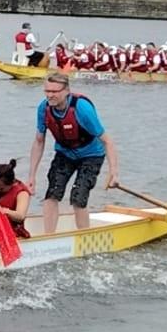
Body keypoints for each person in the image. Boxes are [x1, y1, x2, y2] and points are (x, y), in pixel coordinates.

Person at [27, 71, 120, 233]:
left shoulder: (82, 109)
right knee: (52, 194)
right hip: (65, 153)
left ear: (66, 91)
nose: (50, 95)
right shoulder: (44, 108)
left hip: (91, 154)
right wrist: (32, 176)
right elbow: (39, 141)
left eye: (54, 92)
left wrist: (113, 173)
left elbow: (107, 141)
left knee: (78, 196)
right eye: (47, 91)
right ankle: (49, 236)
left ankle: (84, 237)